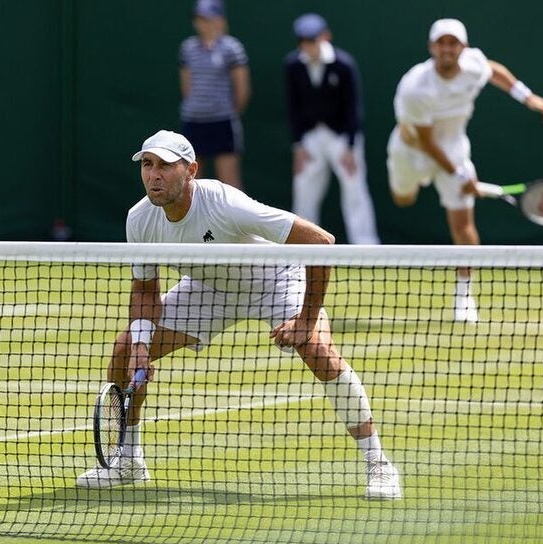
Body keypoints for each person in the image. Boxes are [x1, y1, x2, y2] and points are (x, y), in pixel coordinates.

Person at [75, 130, 402, 500]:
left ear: (191, 170)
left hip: (273, 280)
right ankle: (128, 460)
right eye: (148, 165)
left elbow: (320, 242)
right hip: (208, 287)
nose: (154, 175)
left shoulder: (225, 203)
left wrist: (307, 319)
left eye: (165, 165)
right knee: (123, 351)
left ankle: (378, 463)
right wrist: (140, 346)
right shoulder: (140, 219)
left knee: (318, 352)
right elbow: (145, 290)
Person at [386, 18, 543, 322]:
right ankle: (418, 184)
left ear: (463, 48)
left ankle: (464, 297)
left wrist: (528, 97)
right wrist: (460, 175)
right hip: (413, 151)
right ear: (432, 48)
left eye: (453, 43)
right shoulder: (416, 88)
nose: (447, 49)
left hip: (453, 147)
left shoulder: (474, 66)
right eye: (441, 43)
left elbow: (495, 71)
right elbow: (427, 142)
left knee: (463, 224)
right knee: (403, 200)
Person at [283, 13, 380, 245]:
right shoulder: (293, 65)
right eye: (303, 41)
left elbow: (353, 108)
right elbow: (292, 107)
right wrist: (298, 145)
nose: (308, 46)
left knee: (354, 191)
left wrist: (350, 147)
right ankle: (302, 247)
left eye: (312, 40)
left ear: (325, 37)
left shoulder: (343, 64)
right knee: (304, 191)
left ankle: (366, 247)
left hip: (342, 138)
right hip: (310, 139)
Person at [179, 0, 250, 189]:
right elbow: (186, 85)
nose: (202, 23)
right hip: (193, 121)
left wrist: (228, 111)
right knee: (192, 184)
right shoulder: (188, 48)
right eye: (199, 19)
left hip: (222, 122)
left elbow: (242, 88)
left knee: (230, 184)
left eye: (207, 18)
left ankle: (237, 220)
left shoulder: (232, 48)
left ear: (219, 20)